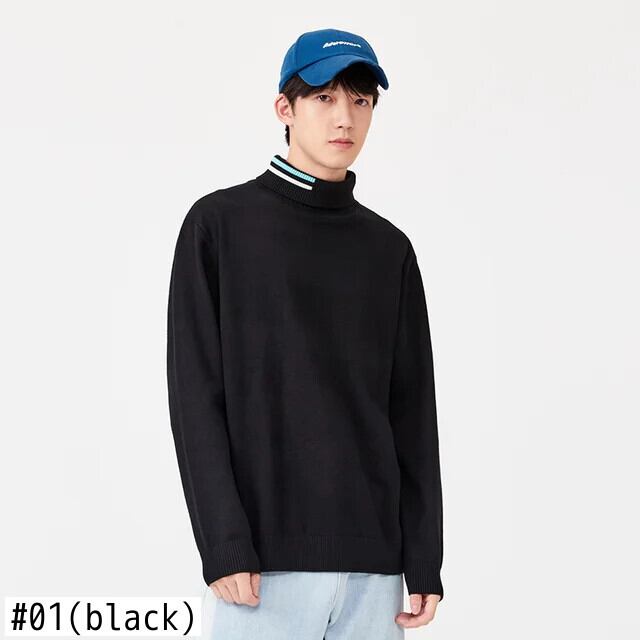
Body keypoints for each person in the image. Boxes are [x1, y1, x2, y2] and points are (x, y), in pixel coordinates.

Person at [166, 27, 445, 639]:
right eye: (324, 97)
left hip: (375, 575)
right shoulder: (220, 226)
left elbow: (412, 413)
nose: (345, 117)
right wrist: (224, 543)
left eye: (361, 101)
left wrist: (424, 558)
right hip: (263, 570)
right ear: (284, 109)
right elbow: (195, 398)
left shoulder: (389, 249)